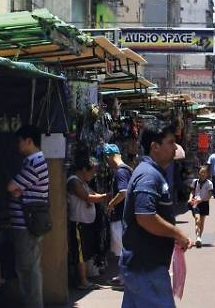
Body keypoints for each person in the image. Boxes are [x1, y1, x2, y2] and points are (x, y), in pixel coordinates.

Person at [121, 123, 192, 308]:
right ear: (155, 146)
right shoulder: (149, 176)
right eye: (170, 142)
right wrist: (176, 233)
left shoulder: (152, 173)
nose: (175, 147)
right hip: (147, 270)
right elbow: (145, 217)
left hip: (140, 267)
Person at [6, 125, 49, 308]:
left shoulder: (35, 162)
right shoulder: (33, 162)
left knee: (28, 269)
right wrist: (17, 190)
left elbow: (11, 187)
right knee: (28, 267)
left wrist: (17, 190)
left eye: (20, 141)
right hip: (27, 223)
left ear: (29, 141)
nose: (18, 145)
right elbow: (15, 189)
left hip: (26, 225)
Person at [67, 154, 109, 290]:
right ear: (84, 169)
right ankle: (83, 281)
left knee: (84, 252)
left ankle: (85, 279)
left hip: (84, 223)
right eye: (93, 171)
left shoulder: (82, 182)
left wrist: (101, 197)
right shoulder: (74, 182)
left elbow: (92, 195)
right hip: (77, 223)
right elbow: (87, 197)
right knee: (80, 254)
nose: (94, 174)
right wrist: (106, 196)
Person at [105, 144, 133, 288]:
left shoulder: (120, 172)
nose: (107, 162)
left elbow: (123, 192)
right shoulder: (126, 169)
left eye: (106, 158)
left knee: (122, 248)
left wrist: (110, 203)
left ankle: (125, 279)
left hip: (121, 215)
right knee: (123, 248)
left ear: (110, 156)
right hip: (125, 215)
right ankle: (123, 276)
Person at [188, 166, 213, 248]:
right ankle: (198, 237)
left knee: (201, 222)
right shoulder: (195, 182)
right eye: (201, 172)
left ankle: (199, 237)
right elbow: (192, 192)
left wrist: (201, 200)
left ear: (207, 174)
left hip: (204, 203)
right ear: (198, 173)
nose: (202, 174)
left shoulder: (209, 183)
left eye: (204, 172)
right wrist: (190, 199)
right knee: (197, 219)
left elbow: (209, 196)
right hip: (195, 203)